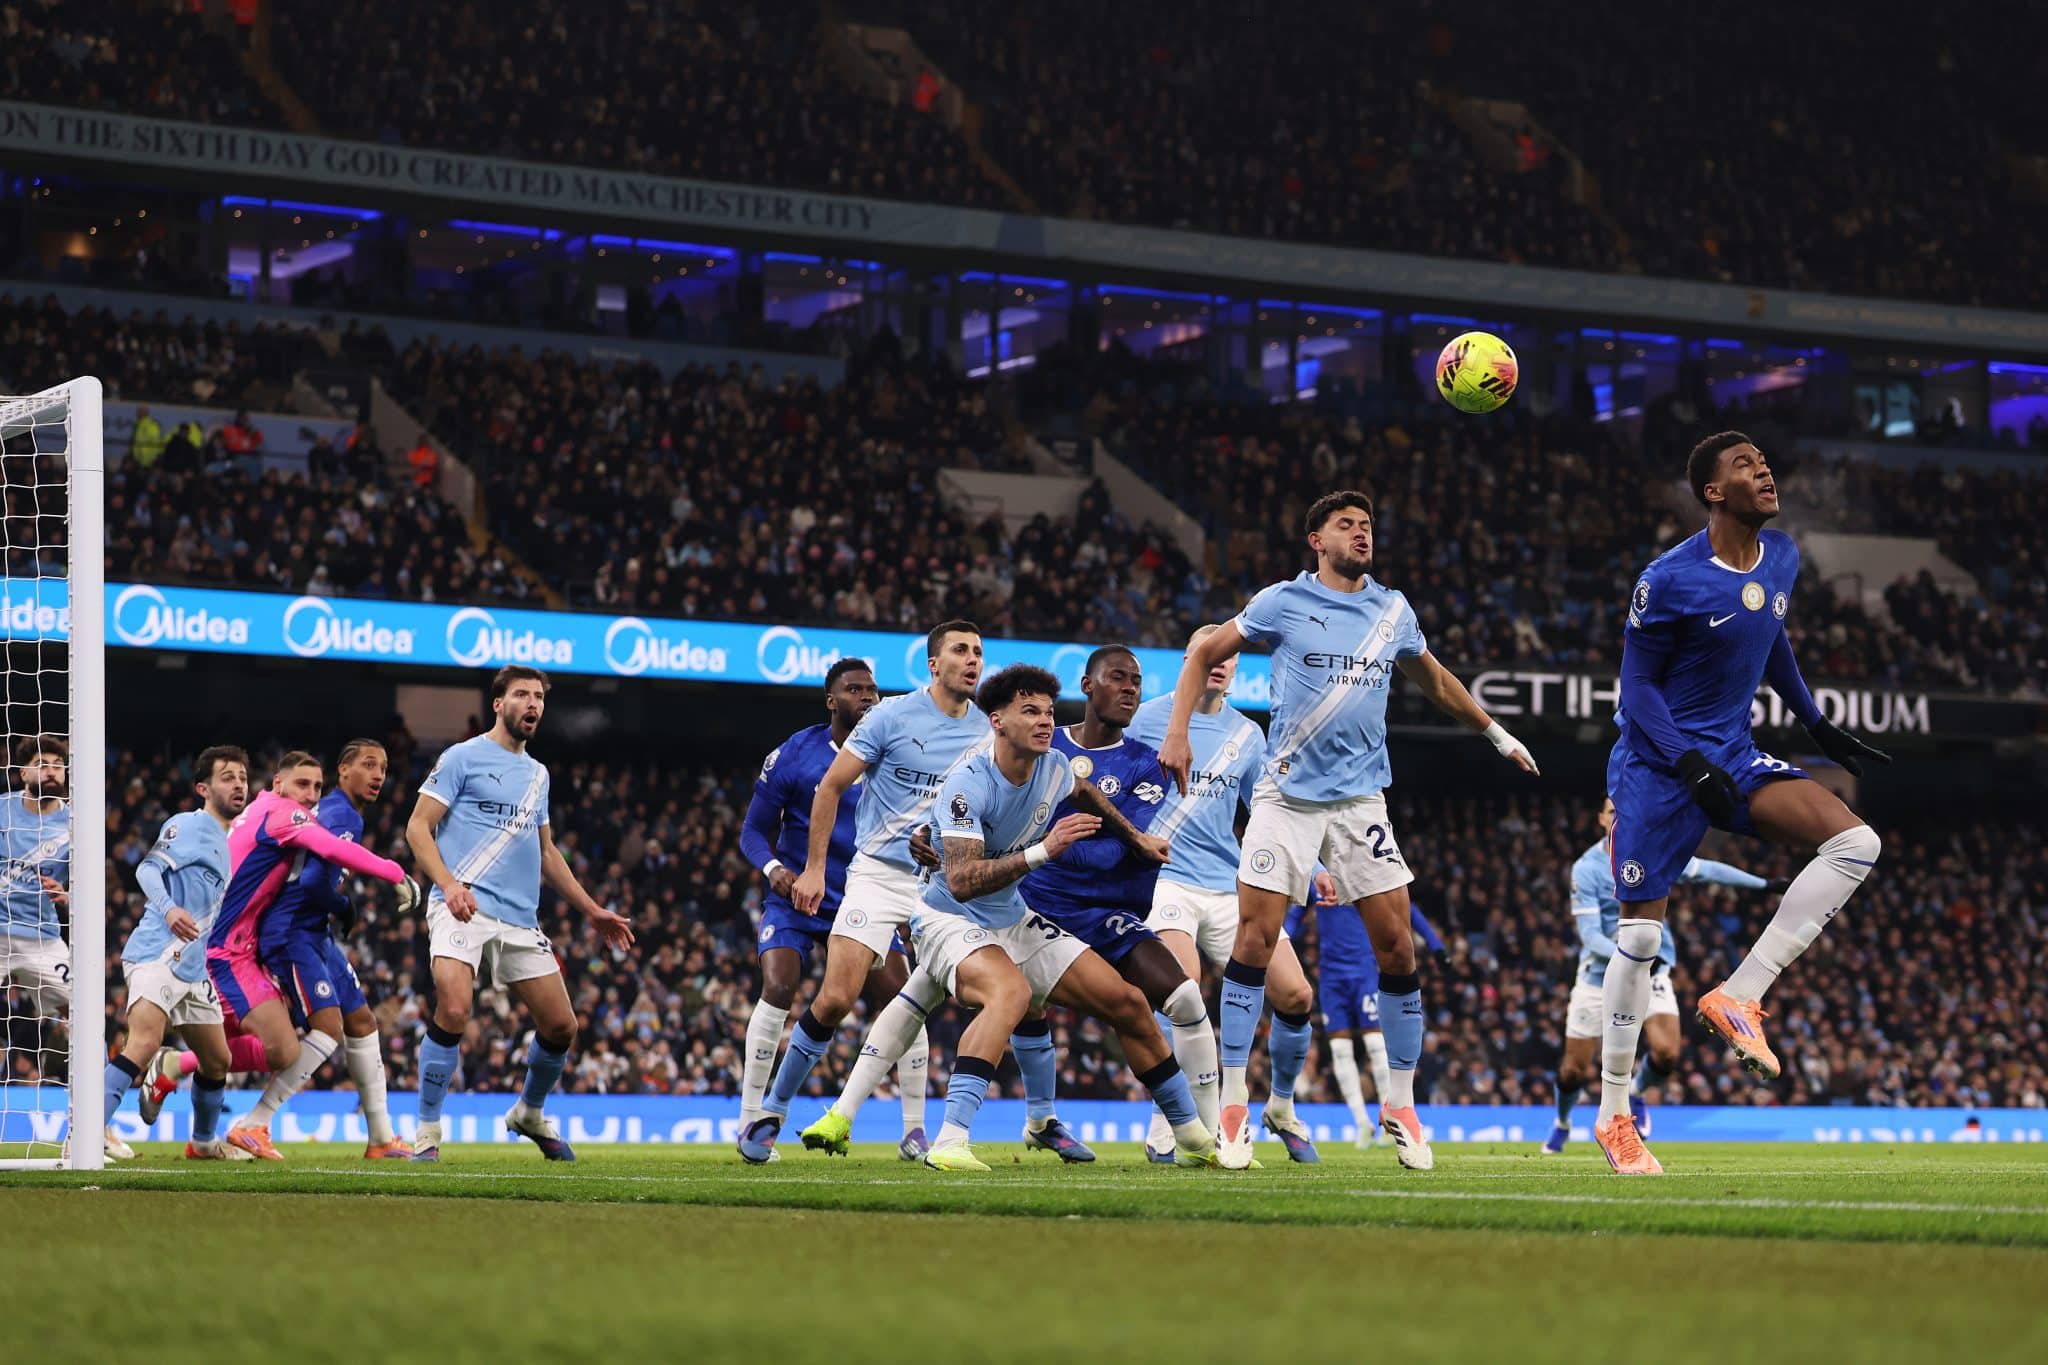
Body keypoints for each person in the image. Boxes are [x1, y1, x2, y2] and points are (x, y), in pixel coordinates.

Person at [1158, 490, 1540, 1170]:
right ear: (1317, 539)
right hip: (1286, 796)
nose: (1362, 533)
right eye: (1347, 524)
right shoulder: (1280, 601)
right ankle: (1236, 1102)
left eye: (1368, 524)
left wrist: (1497, 733)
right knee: (1254, 938)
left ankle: (1400, 1103)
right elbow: (1203, 653)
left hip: (1362, 800)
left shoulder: (1392, 610)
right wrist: (1180, 731)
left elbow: (1438, 682)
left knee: (1397, 945)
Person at [1597, 432, 1888, 1174]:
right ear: (1712, 493)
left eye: (1763, 460)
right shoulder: (1667, 579)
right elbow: (1638, 687)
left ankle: (1738, 994)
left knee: (1857, 842)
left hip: (1731, 750)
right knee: (1637, 942)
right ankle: (1613, 1116)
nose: (1763, 468)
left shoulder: (1783, 555)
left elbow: (1772, 638)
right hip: (1658, 764)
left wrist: (1817, 722)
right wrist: (1687, 761)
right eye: (1742, 465)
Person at [909, 664, 1214, 1172]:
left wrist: (1133, 837)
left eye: (1049, 711)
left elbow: (1085, 792)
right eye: (1029, 711)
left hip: (1012, 915)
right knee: (1011, 994)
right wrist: (1043, 852)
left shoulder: (1052, 766)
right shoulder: (970, 781)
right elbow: (961, 881)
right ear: (997, 721)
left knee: (1129, 1002)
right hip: (949, 918)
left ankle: (1194, 1137)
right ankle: (949, 1141)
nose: (1045, 721)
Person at [757, 622, 990, 1159]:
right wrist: (814, 869)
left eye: (978, 652)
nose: (972, 660)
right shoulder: (890, 716)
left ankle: (921, 1128)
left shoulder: (986, 730)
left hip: (941, 883)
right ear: (934, 664)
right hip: (879, 876)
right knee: (837, 996)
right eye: (960, 650)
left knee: (950, 996)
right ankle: (773, 1109)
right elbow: (831, 786)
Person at [405, 666, 636, 1163]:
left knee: (561, 1026)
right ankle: (427, 1131)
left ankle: (529, 1113)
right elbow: (418, 829)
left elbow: (548, 853)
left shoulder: (538, 774)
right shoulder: (461, 757)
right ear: (498, 703)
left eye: (538, 697)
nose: (532, 704)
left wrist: (592, 910)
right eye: (522, 695)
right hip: (460, 905)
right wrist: (448, 885)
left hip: (518, 917)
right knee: (455, 1009)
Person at [1128, 627, 1321, 1163]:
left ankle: (1281, 1107)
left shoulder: (1247, 735)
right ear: (1189, 662)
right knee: (1182, 988)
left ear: (1236, 667)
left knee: (1296, 996)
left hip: (1228, 884)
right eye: (1207, 655)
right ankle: (1171, 1117)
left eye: (1230, 656)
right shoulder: (1150, 718)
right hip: (1166, 879)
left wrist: (1318, 862)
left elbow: (1268, 808)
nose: (1219, 663)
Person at [735, 660, 931, 1164]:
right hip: (799, 896)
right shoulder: (795, 755)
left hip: (867, 896)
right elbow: (752, 831)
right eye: (854, 689)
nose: (867, 696)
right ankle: (751, 1118)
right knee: (779, 985)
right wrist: (776, 869)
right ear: (831, 700)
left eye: (872, 688)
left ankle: (914, 1130)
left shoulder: (898, 754)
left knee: (904, 996)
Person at [1542, 796, 1785, 1155]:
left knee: (1668, 1055)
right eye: (1612, 812)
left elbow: (1708, 871)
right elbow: (1590, 936)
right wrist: (1630, 955)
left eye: (1624, 811)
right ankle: (1562, 1122)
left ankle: (1636, 1093)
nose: (1618, 818)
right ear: (1600, 819)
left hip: (1651, 973)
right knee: (1573, 1071)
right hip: (1598, 977)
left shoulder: (1650, 852)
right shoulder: (1587, 868)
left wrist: (1764, 884)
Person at [207, 751, 409, 1160]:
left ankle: (382, 1138)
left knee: (361, 1021)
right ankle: (253, 1122)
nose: (377, 775)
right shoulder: (321, 815)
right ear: (344, 770)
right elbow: (318, 874)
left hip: (309, 932)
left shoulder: (307, 809)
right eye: (368, 765)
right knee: (324, 1028)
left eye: (384, 768)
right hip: (287, 933)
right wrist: (377, 884)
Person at [105, 745, 251, 1161]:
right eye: (227, 777)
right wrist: (169, 911)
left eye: (242, 777)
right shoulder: (189, 824)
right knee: (145, 1041)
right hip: (158, 951)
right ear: (202, 787)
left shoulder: (224, 841)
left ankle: (204, 1144)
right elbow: (147, 869)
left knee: (217, 1060)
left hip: (192, 967)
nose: (238, 783)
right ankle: (88, 1129)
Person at [1285, 887, 1443, 1150]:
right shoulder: (1317, 879)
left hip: (1365, 971)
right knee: (1339, 1049)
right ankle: (1361, 1122)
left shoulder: (1359, 873)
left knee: (1375, 1045)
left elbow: (1407, 909)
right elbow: (1295, 915)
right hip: (1332, 977)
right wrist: (1281, 943)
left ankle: (1389, 1120)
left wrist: (1435, 944)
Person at [1, 737, 73, 1098]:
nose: (51, 769)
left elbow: (94, 887)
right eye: (42, 763)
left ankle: (96, 1126)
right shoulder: (2, 810)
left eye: (58, 763)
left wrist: (68, 897)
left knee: (85, 1008)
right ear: (22, 772)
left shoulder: (76, 823)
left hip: (41, 937)